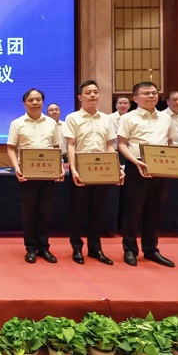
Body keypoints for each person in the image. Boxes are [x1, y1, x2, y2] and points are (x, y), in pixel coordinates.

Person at [117, 81, 178, 268]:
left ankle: (151, 249)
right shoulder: (128, 118)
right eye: (146, 93)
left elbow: (170, 143)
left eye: (154, 93)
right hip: (137, 166)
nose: (151, 96)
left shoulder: (166, 118)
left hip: (161, 167)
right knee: (133, 210)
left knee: (155, 210)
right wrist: (135, 161)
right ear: (135, 98)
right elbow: (121, 143)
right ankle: (130, 249)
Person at [64, 80, 125, 265]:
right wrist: (73, 169)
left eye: (95, 92)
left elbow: (110, 145)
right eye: (88, 92)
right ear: (80, 97)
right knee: (78, 212)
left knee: (98, 211)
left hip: (101, 170)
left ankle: (95, 248)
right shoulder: (72, 118)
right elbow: (71, 145)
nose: (92, 95)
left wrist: (115, 168)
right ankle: (77, 248)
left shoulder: (107, 119)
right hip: (81, 171)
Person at [7, 88, 63, 264]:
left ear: (42, 102)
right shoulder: (17, 123)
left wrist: (60, 166)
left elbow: (56, 148)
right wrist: (16, 168)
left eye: (38, 99)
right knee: (29, 213)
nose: (35, 103)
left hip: (48, 174)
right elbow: (11, 148)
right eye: (31, 100)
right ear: (25, 103)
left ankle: (44, 247)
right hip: (27, 174)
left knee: (46, 212)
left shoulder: (51, 123)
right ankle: (31, 248)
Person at [109, 96, 131, 165]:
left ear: (129, 106)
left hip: (129, 150)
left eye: (125, 103)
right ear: (116, 105)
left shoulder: (132, 118)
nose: (123, 105)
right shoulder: (109, 118)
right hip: (114, 149)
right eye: (120, 103)